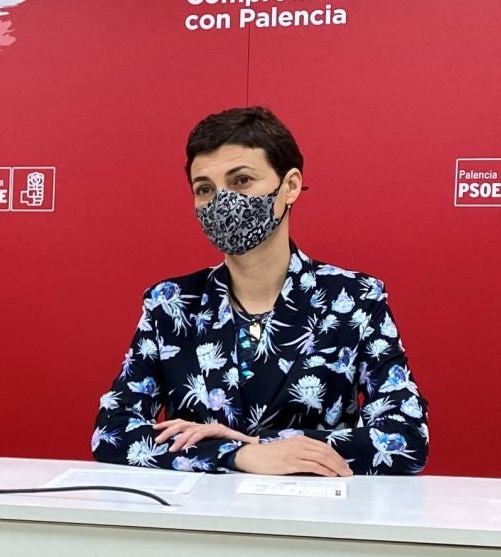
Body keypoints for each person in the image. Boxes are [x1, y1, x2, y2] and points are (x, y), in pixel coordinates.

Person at [92, 108, 428, 476]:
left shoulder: (354, 298)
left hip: (314, 509)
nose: (222, 202)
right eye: (205, 189)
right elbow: (112, 433)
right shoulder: (171, 304)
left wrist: (259, 444)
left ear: (290, 186)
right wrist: (234, 455)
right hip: (199, 511)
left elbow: (406, 437)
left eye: (242, 181)